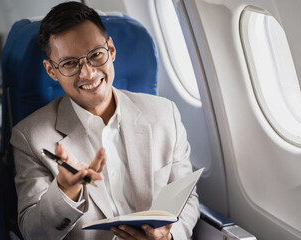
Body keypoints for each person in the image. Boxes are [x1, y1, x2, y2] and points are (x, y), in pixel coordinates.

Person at [10, 2, 200, 239]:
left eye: (95, 55)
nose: (88, 73)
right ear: (51, 71)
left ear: (111, 50)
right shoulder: (31, 137)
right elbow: (33, 233)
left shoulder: (164, 114)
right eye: (70, 63)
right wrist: (66, 190)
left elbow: (187, 197)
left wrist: (168, 237)